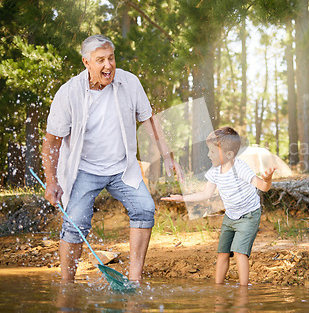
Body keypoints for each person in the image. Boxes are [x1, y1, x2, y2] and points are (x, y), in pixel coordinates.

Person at [41, 34, 181, 284]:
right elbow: (52, 140)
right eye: (100, 60)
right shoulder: (69, 93)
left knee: (145, 209)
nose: (108, 66)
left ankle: (134, 280)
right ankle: (67, 285)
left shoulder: (129, 82)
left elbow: (148, 119)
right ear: (86, 62)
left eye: (111, 58)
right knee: (75, 223)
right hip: (83, 169)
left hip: (121, 167)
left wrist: (168, 156)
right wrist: (51, 181)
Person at [162, 126, 276, 286]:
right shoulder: (215, 171)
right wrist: (182, 198)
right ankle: (218, 289)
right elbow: (206, 194)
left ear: (229, 154)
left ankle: (243, 291)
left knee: (239, 252)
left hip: (248, 215)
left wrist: (268, 179)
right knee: (222, 253)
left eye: (213, 152)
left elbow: (263, 187)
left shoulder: (240, 168)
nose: (209, 155)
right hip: (230, 216)